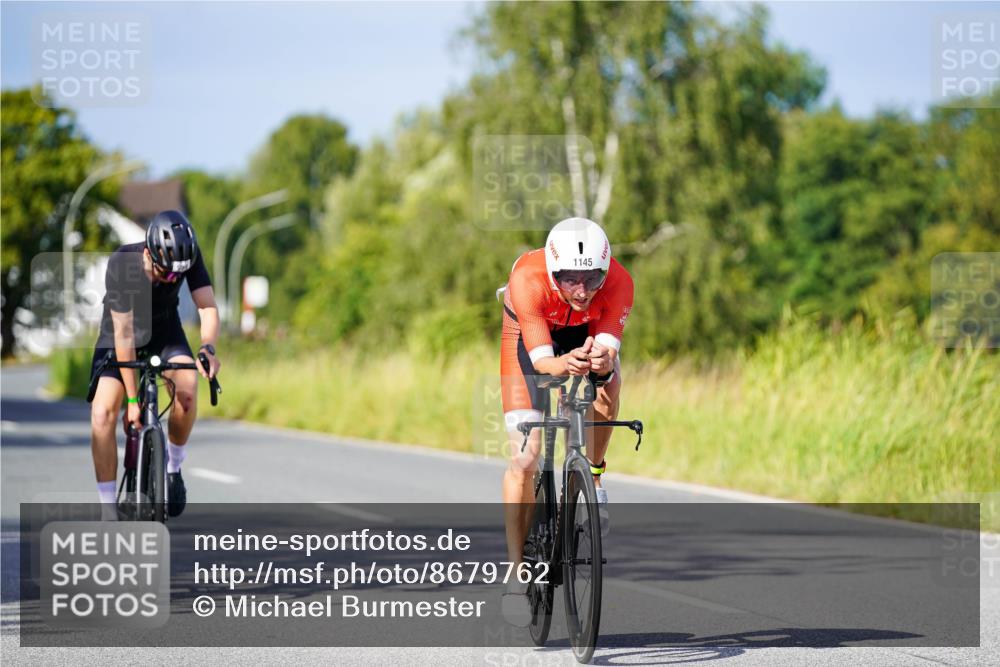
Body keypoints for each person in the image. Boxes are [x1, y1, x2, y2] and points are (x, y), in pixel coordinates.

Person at [498, 217, 633, 624]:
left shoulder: (620, 282)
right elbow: (542, 363)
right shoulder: (528, 279)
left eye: (591, 278)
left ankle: (592, 478)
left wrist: (599, 363)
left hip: (584, 334)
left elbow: (608, 349)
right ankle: (517, 573)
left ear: (605, 271)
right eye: (570, 279)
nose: (581, 289)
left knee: (609, 381)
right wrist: (564, 365)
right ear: (554, 271)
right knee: (525, 459)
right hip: (530, 339)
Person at [87, 210, 221, 520]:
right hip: (119, 332)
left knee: (187, 389)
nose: (172, 279)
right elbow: (123, 334)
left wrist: (208, 348)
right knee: (103, 413)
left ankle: (173, 467)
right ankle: (107, 510)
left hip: (164, 329)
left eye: (178, 275)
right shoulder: (123, 263)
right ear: (149, 253)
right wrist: (132, 401)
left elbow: (207, 307)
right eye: (166, 273)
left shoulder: (187, 255)